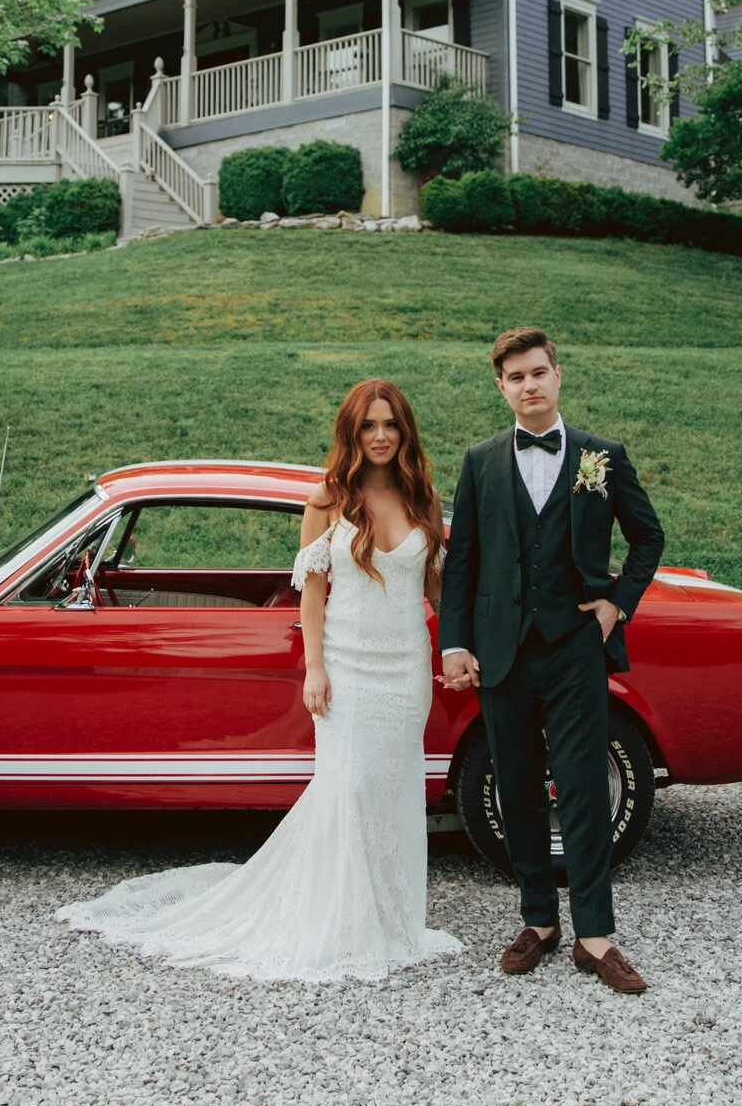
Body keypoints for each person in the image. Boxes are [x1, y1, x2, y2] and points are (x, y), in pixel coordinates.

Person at [56, 379, 462, 981]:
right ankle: (340, 924)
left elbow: (437, 589)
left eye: (391, 425)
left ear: (405, 432)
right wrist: (316, 669)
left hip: (406, 668)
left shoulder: (422, 497)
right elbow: (314, 591)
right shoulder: (328, 498)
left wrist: (460, 643)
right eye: (369, 426)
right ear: (352, 433)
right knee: (347, 788)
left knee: (394, 791)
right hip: (348, 668)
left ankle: (393, 921)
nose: (380, 436)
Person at [439, 327, 663, 994]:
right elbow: (464, 564)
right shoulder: (480, 461)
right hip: (502, 652)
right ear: (500, 387)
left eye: (538, 372)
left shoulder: (602, 456)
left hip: (573, 649)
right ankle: (538, 920)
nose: (529, 384)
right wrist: (456, 643)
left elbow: (648, 536)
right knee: (516, 789)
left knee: (585, 788)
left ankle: (595, 935)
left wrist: (616, 603)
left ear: (557, 376)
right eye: (516, 376)